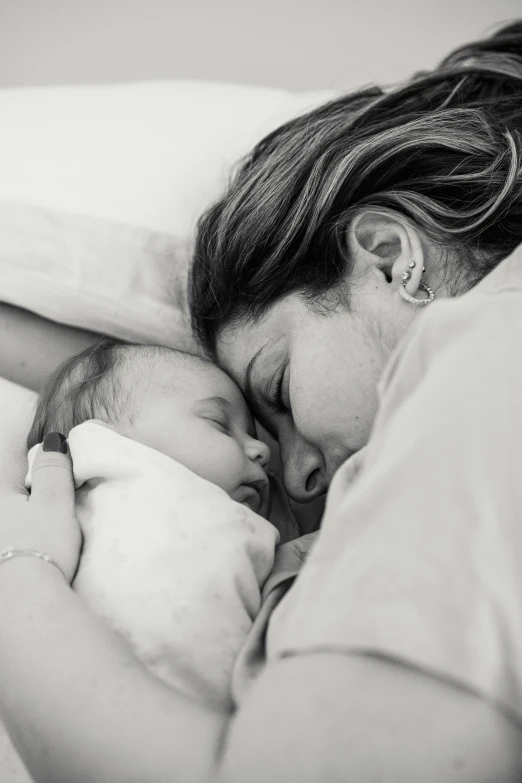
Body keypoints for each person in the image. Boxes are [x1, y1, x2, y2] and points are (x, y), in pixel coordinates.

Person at [0, 20, 522, 783]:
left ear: (389, 256)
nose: (292, 473)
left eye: (277, 389)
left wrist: (20, 575)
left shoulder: (477, 355)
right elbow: (133, 384)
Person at [23, 338, 281, 711]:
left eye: (253, 437)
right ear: (104, 435)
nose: (263, 452)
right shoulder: (94, 462)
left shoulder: (247, 527)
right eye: (220, 425)